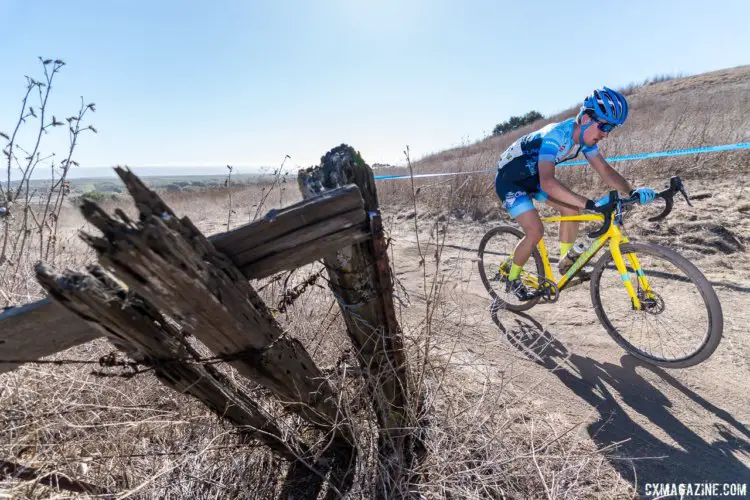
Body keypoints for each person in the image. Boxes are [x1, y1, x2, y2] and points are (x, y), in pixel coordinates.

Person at [494, 86, 656, 301]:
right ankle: (512, 278)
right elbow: (549, 182)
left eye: (611, 129)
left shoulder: (584, 141)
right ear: (587, 118)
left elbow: (605, 170)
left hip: (533, 179)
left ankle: (566, 263)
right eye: (604, 126)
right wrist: (591, 204)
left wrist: (631, 191)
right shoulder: (555, 136)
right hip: (511, 182)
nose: (606, 134)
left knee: (570, 208)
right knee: (535, 231)